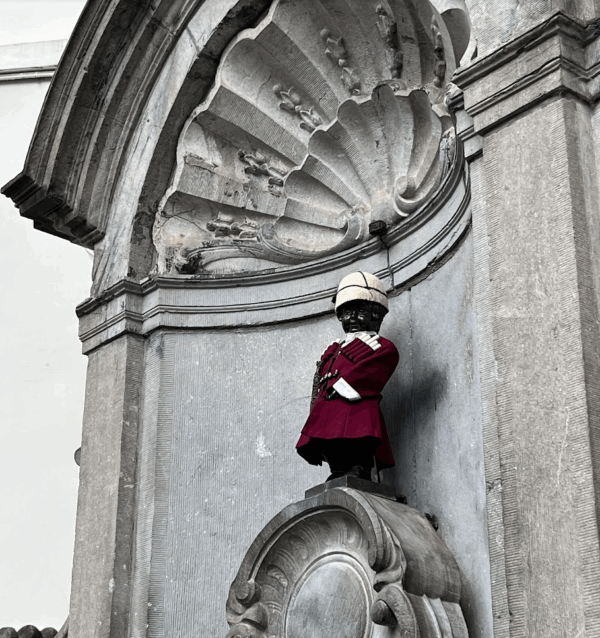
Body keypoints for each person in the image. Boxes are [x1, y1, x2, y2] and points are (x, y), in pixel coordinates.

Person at [296, 272, 399, 481]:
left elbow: (374, 370)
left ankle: (359, 468)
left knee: (358, 437)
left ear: (375, 315)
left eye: (360, 312)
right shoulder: (335, 348)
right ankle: (338, 469)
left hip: (357, 405)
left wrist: (343, 386)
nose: (352, 318)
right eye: (347, 312)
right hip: (328, 403)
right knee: (327, 439)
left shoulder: (380, 345)